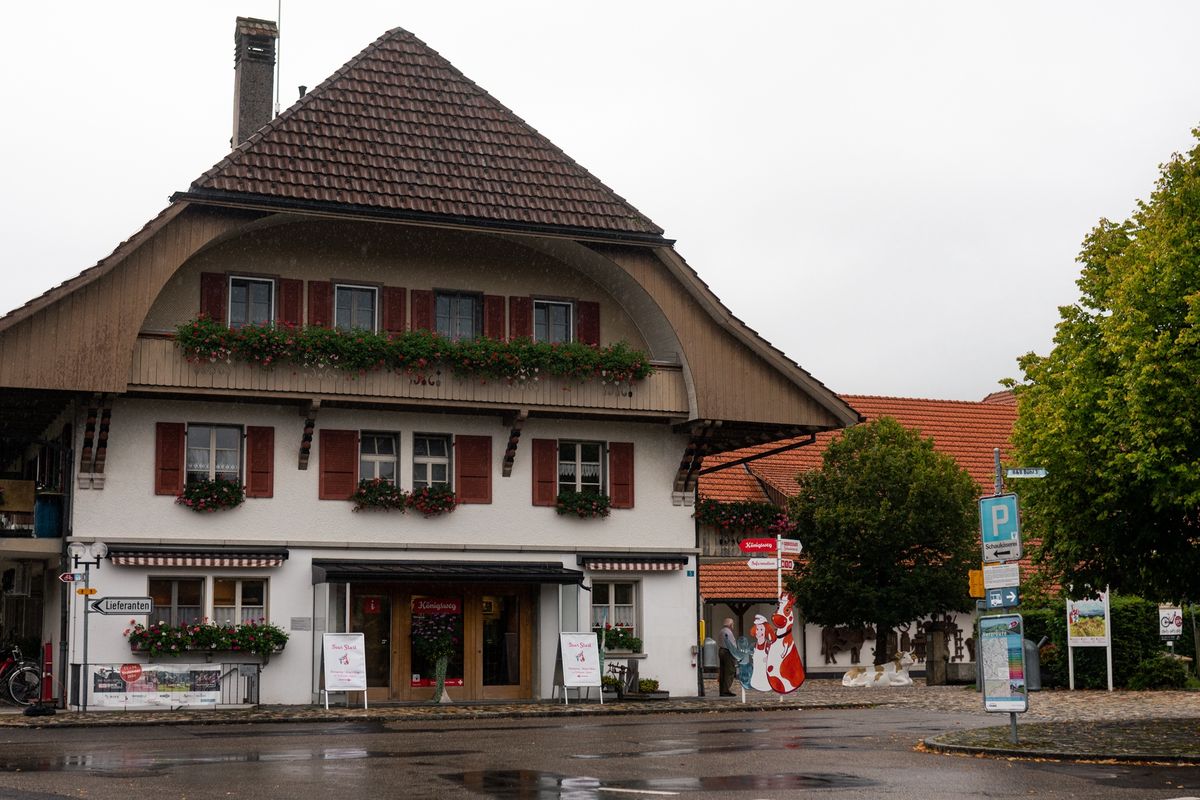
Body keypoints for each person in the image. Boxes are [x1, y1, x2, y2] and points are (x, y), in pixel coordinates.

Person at [718, 617, 738, 696]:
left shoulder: (721, 631)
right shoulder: (728, 632)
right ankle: (726, 690)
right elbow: (731, 644)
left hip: (722, 650)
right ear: (730, 624)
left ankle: (722, 690)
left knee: (723, 672)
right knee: (730, 671)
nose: (733, 626)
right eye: (732, 624)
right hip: (728, 652)